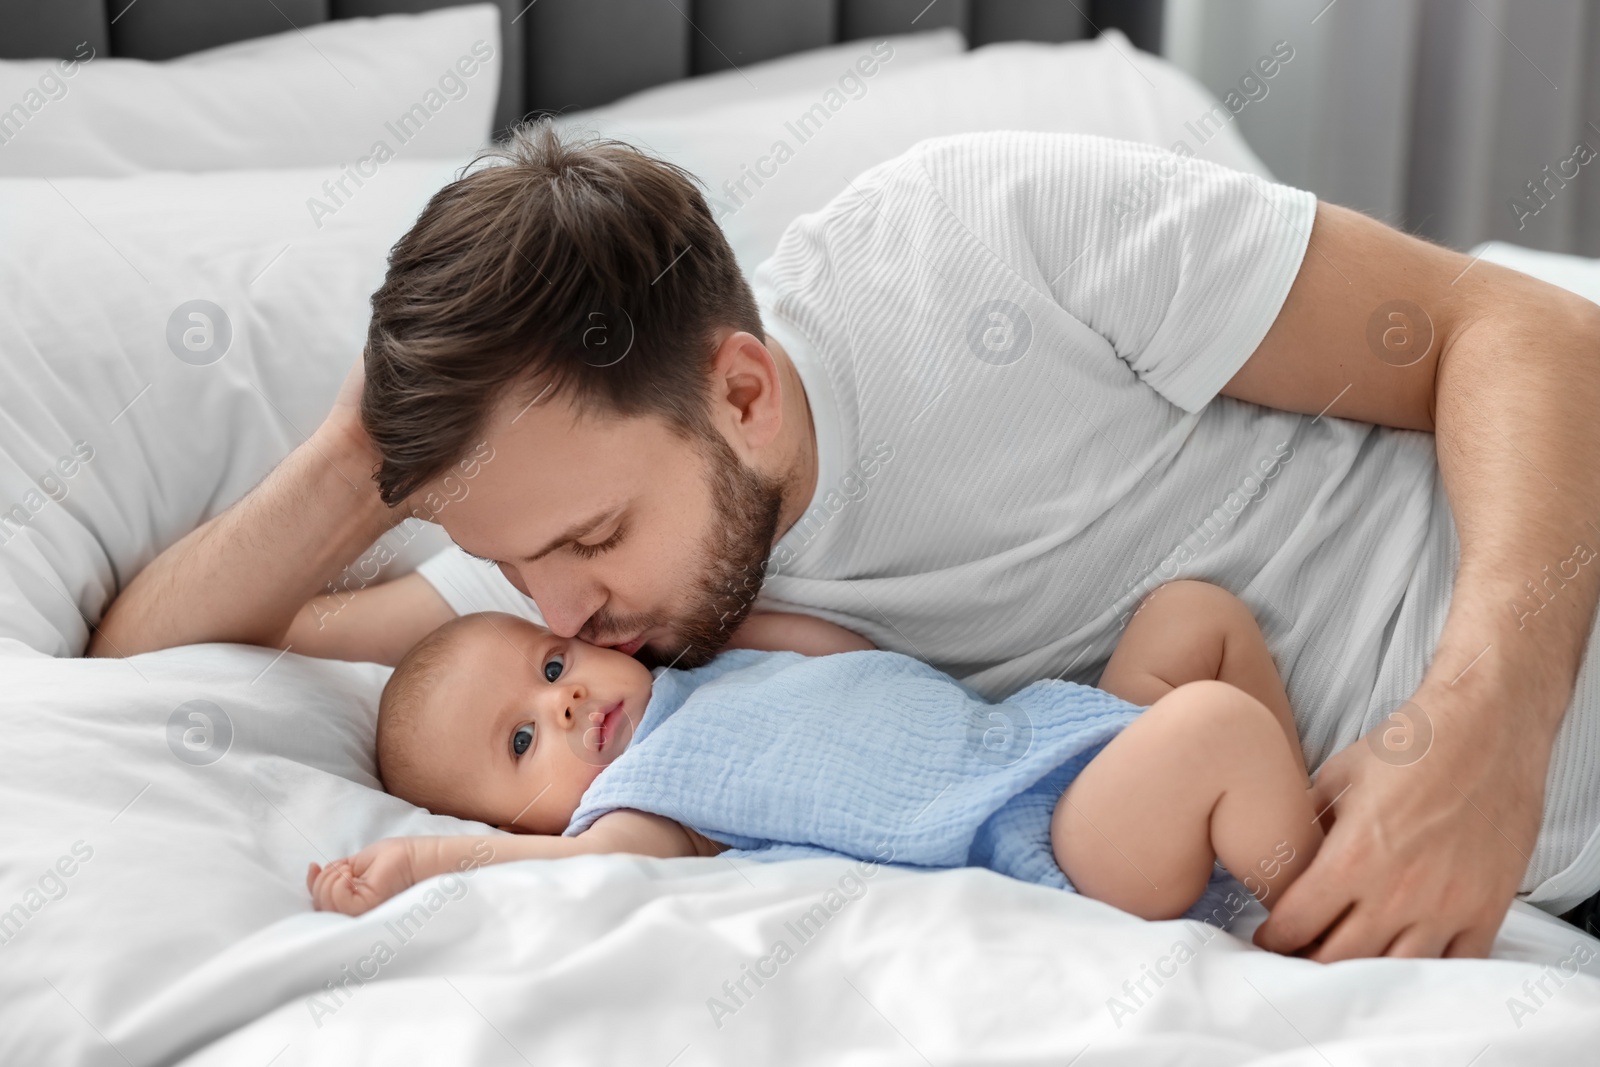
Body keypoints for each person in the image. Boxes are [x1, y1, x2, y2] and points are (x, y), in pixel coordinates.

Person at [91, 121, 1600, 960]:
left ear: (741, 392)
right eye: (522, 568)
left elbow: (1522, 328)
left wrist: (1488, 722)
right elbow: (144, 661)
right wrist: (379, 444)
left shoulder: (987, 240)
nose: (571, 614)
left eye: (596, 537)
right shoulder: (559, 592)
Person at [308, 581, 1324, 932]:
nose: (564, 697)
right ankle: (1318, 891)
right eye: (522, 738)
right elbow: (585, 871)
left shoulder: (714, 673)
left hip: (1043, 734)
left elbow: (850, 660)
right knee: (1213, 727)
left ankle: (1282, 816)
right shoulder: (636, 803)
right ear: (511, 817)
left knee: (1195, 616)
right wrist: (425, 860)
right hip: (1052, 845)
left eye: (550, 659)